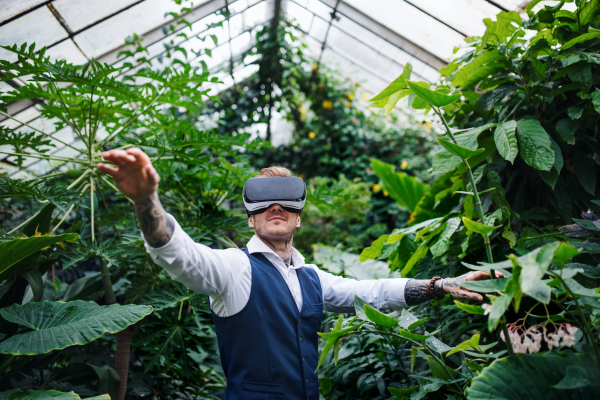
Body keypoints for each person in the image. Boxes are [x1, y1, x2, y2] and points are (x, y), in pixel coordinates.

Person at [97, 148, 501, 400]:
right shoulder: (235, 269)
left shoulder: (310, 277)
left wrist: (438, 285)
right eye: (263, 202)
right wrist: (146, 200)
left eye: (287, 201)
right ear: (251, 219)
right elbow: (180, 255)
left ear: (299, 218)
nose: (276, 207)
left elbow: (371, 291)